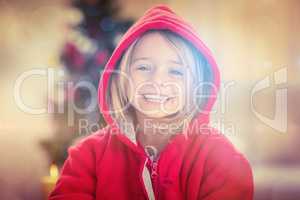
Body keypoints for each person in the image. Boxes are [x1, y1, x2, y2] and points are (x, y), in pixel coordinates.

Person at [49, 5, 253, 200]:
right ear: (122, 76)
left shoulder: (222, 160)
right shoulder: (87, 156)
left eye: (175, 71)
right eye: (143, 67)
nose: (157, 81)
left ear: (196, 85)